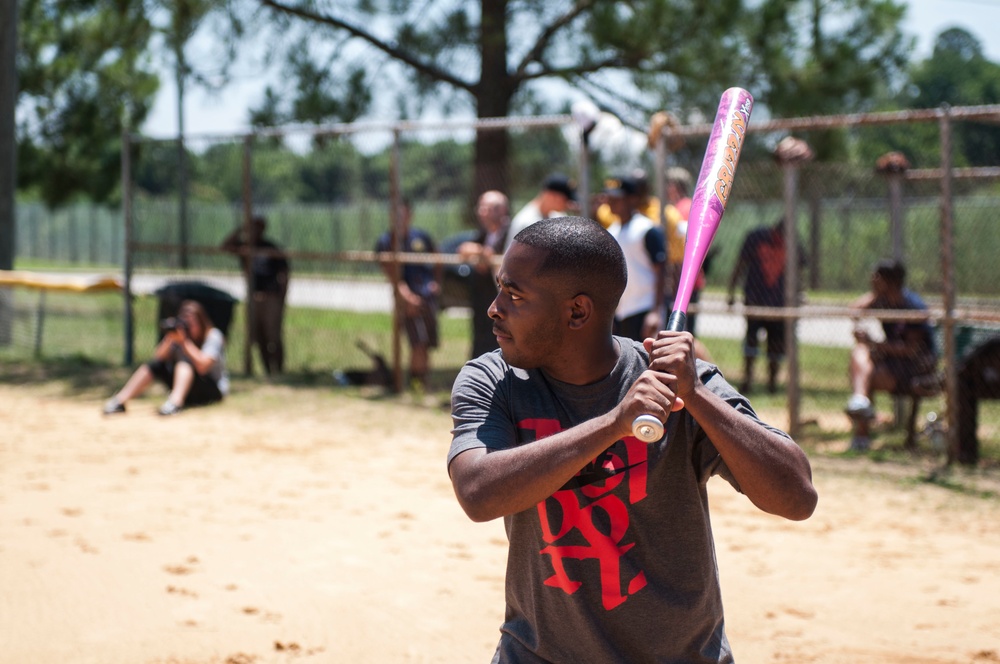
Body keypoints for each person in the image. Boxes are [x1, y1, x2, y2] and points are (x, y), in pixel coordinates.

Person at [447, 216, 817, 663]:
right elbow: (477, 493)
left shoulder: (682, 384)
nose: (495, 307)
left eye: (514, 293)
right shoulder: (494, 380)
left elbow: (797, 498)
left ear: (577, 312)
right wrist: (614, 424)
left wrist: (697, 396)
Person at [845, 259, 937, 452]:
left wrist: (875, 344)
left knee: (866, 375)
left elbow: (911, 349)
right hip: (893, 361)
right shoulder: (883, 300)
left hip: (916, 367)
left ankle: (861, 433)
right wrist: (875, 295)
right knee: (860, 352)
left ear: (890, 281)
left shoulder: (912, 306)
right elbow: (853, 310)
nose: (872, 280)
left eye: (876, 278)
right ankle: (860, 401)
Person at [103, 299, 229, 416]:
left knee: (184, 364)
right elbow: (158, 358)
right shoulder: (178, 336)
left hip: (212, 390)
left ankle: (175, 403)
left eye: (191, 324)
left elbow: (203, 367)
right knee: (154, 366)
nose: (188, 328)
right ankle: (119, 401)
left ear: (201, 322)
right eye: (185, 323)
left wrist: (185, 342)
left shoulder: (213, 336)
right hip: (187, 389)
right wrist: (169, 338)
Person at [727, 217, 804, 394]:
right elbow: (740, 265)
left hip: (779, 304)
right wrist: (731, 291)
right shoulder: (756, 238)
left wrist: (799, 296)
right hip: (754, 300)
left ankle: (772, 384)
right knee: (751, 342)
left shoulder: (793, 244)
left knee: (776, 346)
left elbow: (800, 273)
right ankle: (747, 380)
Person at [375, 199, 441, 390]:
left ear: (410, 215)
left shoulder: (420, 237)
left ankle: (424, 381)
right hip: (407, 300)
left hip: (427, 297)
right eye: (396, 215)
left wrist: (436, 283)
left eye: (403, 214)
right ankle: (416, 384)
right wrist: (408, 298)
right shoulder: (386, 241)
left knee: (427, 343)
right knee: (417, 343)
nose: (400, 219)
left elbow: (438, 259)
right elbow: (392, 275)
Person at [221, 215, 290, 375]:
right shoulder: (245, 247)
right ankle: (267, 371)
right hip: (253, 297)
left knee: (273, 336)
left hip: (270, 297)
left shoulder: (271, 247)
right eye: (251, 227)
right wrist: (241, 229)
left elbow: (284, 273)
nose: (254, 231)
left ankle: (278, 371)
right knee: (258, 337)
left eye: (257, 227)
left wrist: (281, 298)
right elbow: (225, 246)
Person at [604, 175, 667, 342]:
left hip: (644, 307)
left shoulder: (646, 229)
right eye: (609, 197)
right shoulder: (612, 231)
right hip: (622, 309)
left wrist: (656, 311)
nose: (610, 202)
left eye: (616, 198)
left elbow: (661, 270)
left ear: (633, 199)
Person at [458, 190, 511, 359]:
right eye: (480, 208)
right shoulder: (484, 234)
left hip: (504, 299)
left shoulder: (511, 231)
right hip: (483, 300)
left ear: (502, 210)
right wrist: (480, 253)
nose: (482, 212)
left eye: (488, 208)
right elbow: (467, 250)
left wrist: (483, 256)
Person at [504, 173, 576, 252]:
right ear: (551, 196)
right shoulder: (526, 222)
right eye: (565, 200)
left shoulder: (558, 215)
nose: (568, 204)